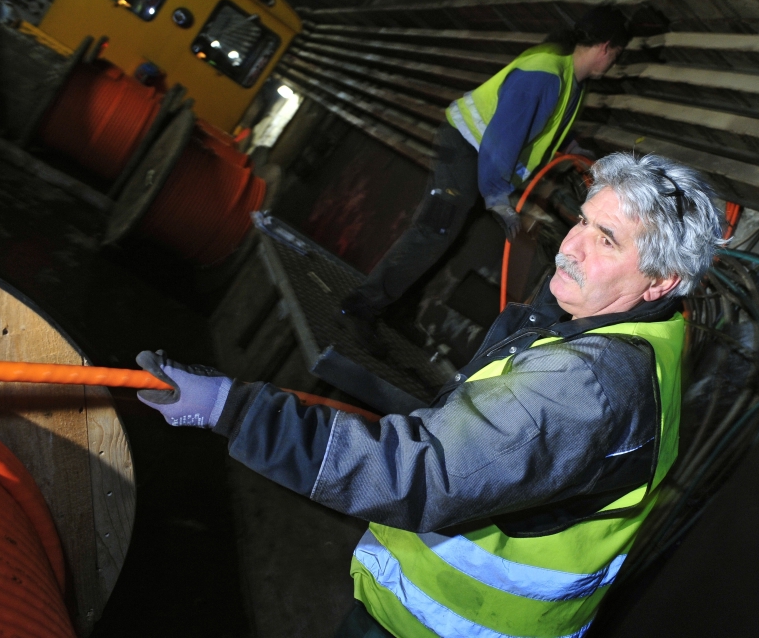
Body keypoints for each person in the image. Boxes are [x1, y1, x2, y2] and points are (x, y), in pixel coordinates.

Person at [136, 152, 723, 637]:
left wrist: (233, 410)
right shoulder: (643, 335)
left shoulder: (587, 386)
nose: (572, 246)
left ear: (662, 281)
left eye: (607, 240)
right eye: (582, 220)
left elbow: (420, 472)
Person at [337, 5, 631, 351]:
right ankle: (361, 306)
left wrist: (577, 153)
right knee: (434, 231)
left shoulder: (570, 80)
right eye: (617, 54)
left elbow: (546, 125)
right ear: (605, 47)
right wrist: (495, 197)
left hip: (484, 159)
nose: (614, 62)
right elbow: (500, 140)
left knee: (450, 238)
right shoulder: (546, 73)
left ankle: (398, 309)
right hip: (468, 148)